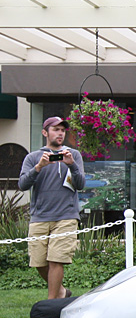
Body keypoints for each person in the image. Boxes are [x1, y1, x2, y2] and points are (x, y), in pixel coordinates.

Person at [17, 116, 86, 300]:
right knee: (38, 262)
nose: (60, 133)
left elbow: (80, 184)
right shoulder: (33, 157)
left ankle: (51, 303)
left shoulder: (74, 155)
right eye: (56, 129)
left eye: (63, 130)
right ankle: (61, 292)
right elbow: (22, 184)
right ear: (45, 132)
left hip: (66, 216)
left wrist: (71, 165)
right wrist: (39, 167)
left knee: (57, 260)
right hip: (40, 216)